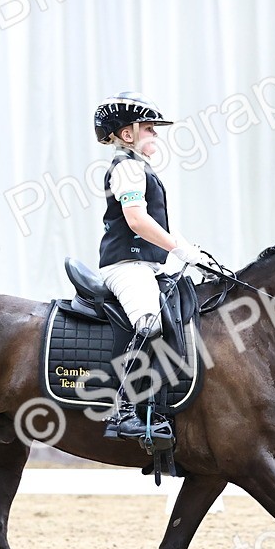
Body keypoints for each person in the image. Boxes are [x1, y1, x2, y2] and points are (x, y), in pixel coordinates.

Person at [93, 92, 209, 440]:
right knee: (149, 321)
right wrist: (179, 248)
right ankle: (124, 411)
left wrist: (184, 251)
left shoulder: (140, 167)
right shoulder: (127, 168)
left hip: (146, 264)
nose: (155, 135)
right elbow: (137, 221)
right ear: (127, 134)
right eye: (149, 129)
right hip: (126, 265)